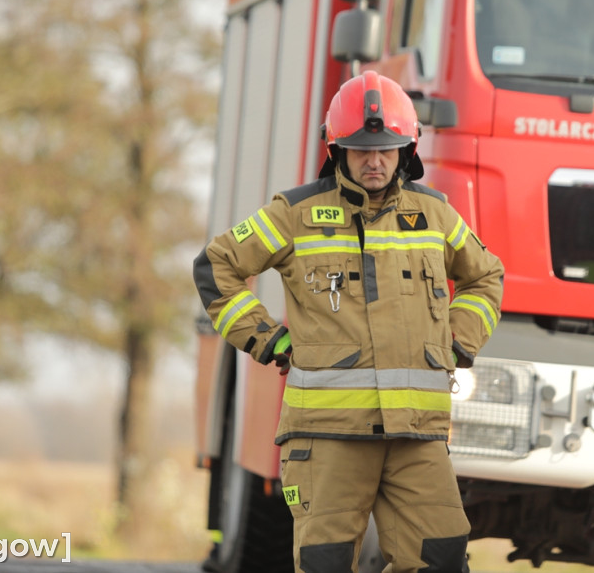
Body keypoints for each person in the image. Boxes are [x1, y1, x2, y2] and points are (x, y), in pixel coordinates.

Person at [193, 70, 504, 573]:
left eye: (387, 148)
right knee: (326, 565)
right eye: (361, 149)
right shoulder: (295, 214)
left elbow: (486, 277)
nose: (375, 160)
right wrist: (266, 340)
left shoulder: (436, 215)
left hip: (415, 438)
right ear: (337, 149)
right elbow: (216, 266)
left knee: (443, 560)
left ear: (408, 149)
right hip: (327, 437)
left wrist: (458, 341)